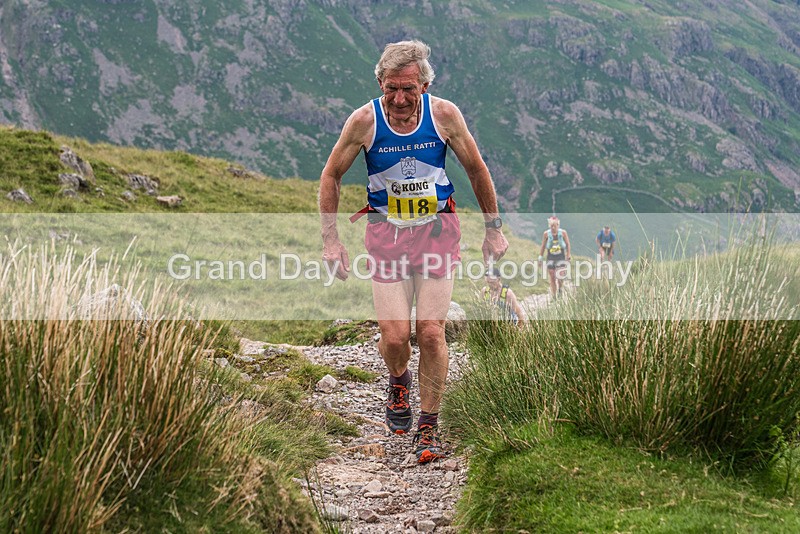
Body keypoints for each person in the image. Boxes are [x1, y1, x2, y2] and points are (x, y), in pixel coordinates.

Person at [318, 40, 508, 463]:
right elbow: (331, 175)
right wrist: (331, 240)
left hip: (437, 232)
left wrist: (493, 229)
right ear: (380, 85)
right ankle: (399, 378)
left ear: (424, 85)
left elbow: (476, 169)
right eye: (391, 89)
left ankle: (428, 426)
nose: (400, 99)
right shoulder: (364, 121)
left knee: (431, 332)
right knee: (394, 337)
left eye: (409, 89)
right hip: (386, 236)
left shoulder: (444, 116)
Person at [538, 216, 571, 298]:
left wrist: (568, 255)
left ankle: (560, 289)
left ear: (558, 225)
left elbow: (567, 244)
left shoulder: (563, 233)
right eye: (551, 226)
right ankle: (554, 295)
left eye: (554, 226)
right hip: (551, 257)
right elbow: (543, 245)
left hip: (560, 256)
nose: (553, 228)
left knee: (560, 275)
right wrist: (540, 257)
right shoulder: (546, 234)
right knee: (552, 276)